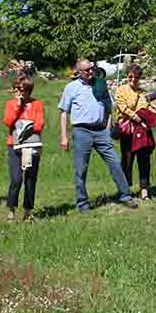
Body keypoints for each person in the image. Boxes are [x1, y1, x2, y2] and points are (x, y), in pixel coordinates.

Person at [60, 58, 137, 213]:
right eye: (86, 70)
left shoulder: (100, 84)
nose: (90, 72)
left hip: (101, 131)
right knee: (81, 169)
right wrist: (64, 137)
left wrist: (107, 128)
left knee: (115, 162)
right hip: (81, 131)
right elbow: (63, 112)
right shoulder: (71, 88)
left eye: (91, 69)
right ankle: (82, 203)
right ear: (78, 72)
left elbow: (109, 108)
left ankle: (125, 196)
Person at [3, 75, 44, 221]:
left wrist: (24, 127)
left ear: (28, 90)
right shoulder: (10, 104)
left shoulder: (37, 104)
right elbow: (8, 122)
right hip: (14, 145)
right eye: (16, 88)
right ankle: (11, 208)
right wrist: (18, 106)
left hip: (31, 144)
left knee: (30, 178)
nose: (18, 91)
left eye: (21, 89)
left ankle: (28, 210)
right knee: (16, 178)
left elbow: (39, 124)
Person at [115, 64, 154, 200]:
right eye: (130, 76)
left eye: (136, 77)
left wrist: (149, 117)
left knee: (144, 159)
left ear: (140, 78)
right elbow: (122, 107)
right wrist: (136, 116)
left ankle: (144, 189)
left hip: (142, 130)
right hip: (128, 131)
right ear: (127, 76)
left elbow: (146, 107)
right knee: (127, 159)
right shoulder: (121, 90)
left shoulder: (142, 92)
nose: (133, 79)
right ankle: (125, 190)